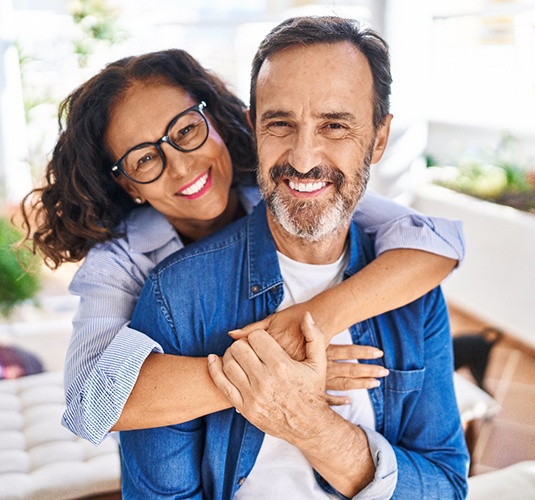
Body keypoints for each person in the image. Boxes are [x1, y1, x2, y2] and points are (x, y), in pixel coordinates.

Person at [20, 47, 464, 447]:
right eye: (145, 158)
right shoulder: (121, 261)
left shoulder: (283, 186)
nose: (181, 165)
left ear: (215, 121)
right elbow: (87, 402)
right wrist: (275, 373)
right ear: (127, 183)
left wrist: (316, 320)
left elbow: (434, 241)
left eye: (186, 130)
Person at [120, 16, 469, 499]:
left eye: (335, 125)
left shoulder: (411, 289)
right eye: (280, 124)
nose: (304, 159)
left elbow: (448, 487)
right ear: (253, 130)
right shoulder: (178, 294)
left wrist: (310, 425)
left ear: (379, 139)